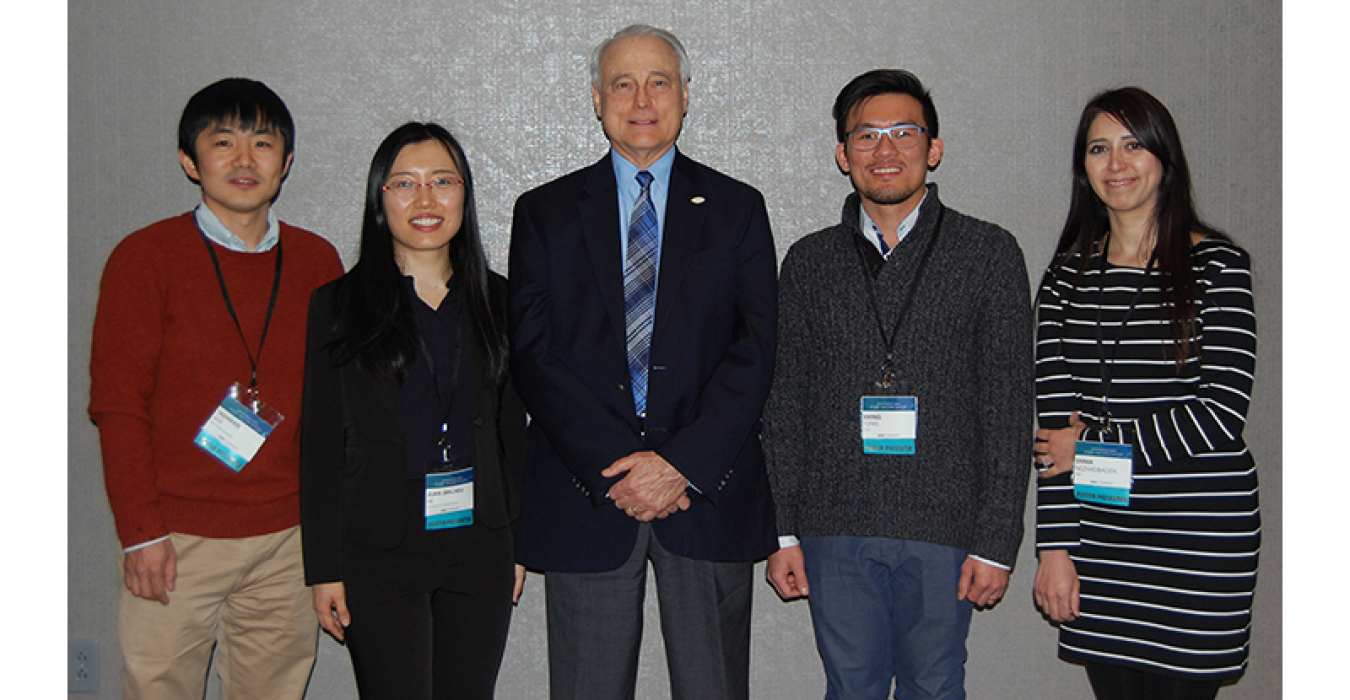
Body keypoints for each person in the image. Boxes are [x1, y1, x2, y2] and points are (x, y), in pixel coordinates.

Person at [507, 24, 778, 700]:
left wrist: (679, 462)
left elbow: (756, 350)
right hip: (589, 495)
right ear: (596, 101)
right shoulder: (543, 213)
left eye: (659, 81)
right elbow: (534, 355)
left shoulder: (738, 209)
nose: (641, 97)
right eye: (622, 83)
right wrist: (622, 468)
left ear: (686, 95)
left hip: (705, 493)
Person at [763, 69, 1034, 700]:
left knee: (935, 686)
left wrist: (998, 541)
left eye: (904, 132)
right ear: (842, 154)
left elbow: (1008, 405)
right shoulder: (809, 261)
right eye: (867, 135)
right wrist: (783, 531)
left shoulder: (989, 252)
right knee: (849, 686)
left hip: (946, 525)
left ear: (933, 149)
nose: (886, 150)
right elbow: (784, 406)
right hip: (835, 523)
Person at [88, 78, 342, 699]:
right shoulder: (145, 258)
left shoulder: (318, 262)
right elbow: (117, 405)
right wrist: (140, 531)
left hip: (287, 538)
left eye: (262, 142)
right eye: (222, 141)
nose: (244, 159)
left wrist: (330, 536)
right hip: (176, 538)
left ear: (286, 162)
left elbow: (338, 409)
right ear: (189, 160)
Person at [1031, 87, 1260, 700]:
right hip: (1103, 538)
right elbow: (1054, 431)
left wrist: (1095, 447)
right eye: (1099, 148)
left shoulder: (1218, 267)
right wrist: (1054, 548)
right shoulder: (1064, 277)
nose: (1117, 163)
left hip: (1197, 537)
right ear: (1083, 167)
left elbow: (1220, 416)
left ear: (1164, 157)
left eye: (1133, 145)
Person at [300, 122, 526, 700]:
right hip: (380, 546)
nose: (425, 200)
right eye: (404, 184)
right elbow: (320, 444)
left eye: (442, 181)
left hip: (481, 542)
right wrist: (322, 567)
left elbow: (514, 434)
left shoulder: (502, 301)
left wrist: (521, 543)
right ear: (380, 199)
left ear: (465, 195)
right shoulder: (339, 306)